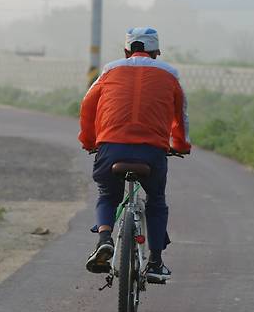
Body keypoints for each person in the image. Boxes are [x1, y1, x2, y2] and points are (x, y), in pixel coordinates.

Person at [78, 27, 191, 282]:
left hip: (110, 148)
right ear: (156, 52)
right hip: (152, 151)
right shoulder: (170, 74)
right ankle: (155, 262)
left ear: (126, 51)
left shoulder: (109, 70)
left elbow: (87, 106)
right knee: (156, 200)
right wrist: (181, 145)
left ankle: (104, 239)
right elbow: (180, 115)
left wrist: (89, 141)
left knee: (108, 194)